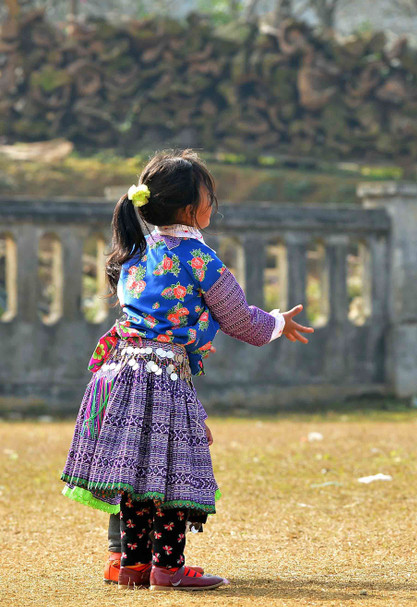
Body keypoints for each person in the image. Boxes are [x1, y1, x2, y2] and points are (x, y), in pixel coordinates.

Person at [61, 150, 314, 590]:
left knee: (134, 472)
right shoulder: (200, 259)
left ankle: (132, 566)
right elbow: (240, 320)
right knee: (171, 469)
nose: (213, 202)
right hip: (163, 377)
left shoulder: (135, 253)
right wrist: (278, 322)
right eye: (208, 195)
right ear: (190, 208)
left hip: (120, 372)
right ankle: (168, 567)